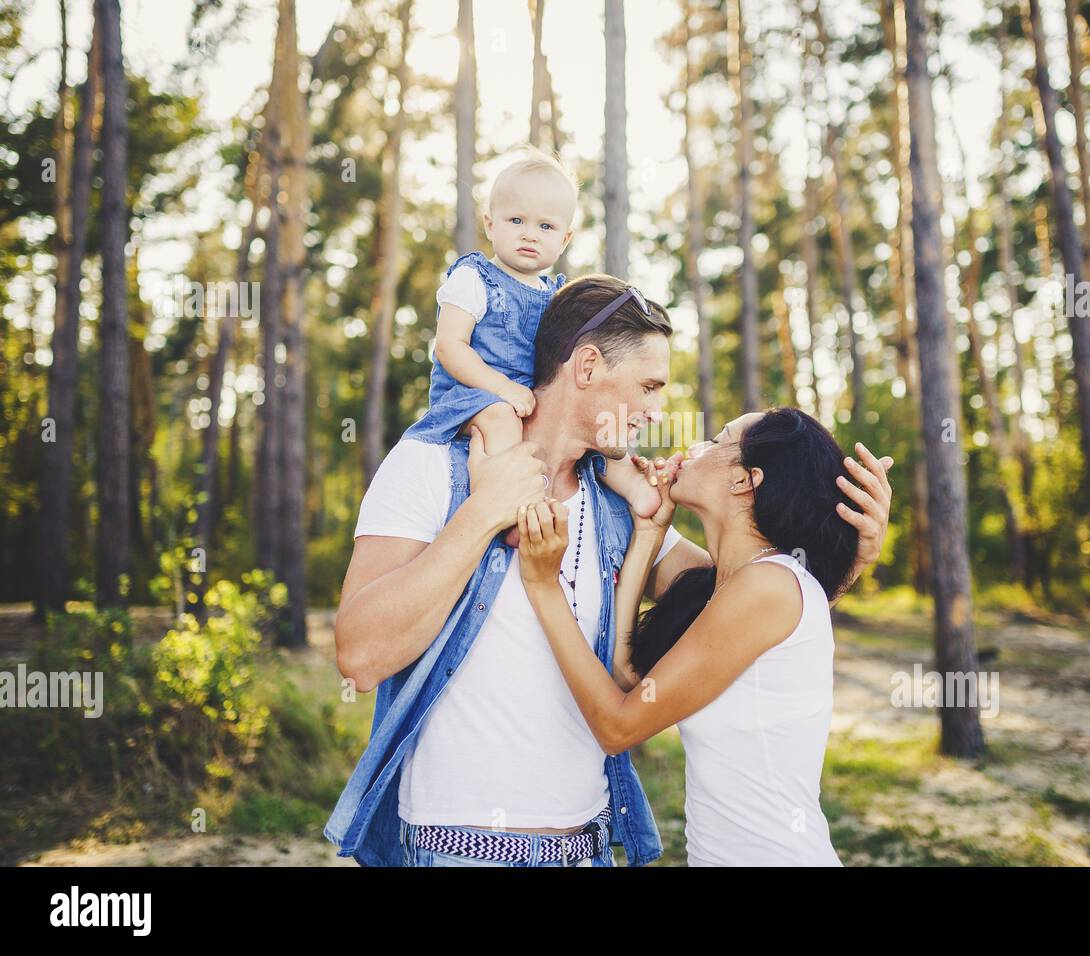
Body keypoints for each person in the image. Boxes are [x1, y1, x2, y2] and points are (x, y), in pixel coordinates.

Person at [324, 276, 893, 867]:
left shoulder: (621, 506)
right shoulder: (432, 467)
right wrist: (484, 512)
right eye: (648, 387)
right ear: (588, 366)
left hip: (590, 847)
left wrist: (850, 560)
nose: (656, 412)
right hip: (457, 849)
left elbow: (747, 612)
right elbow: (360, 657)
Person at [517, 407, 893, 865]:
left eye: (717, 440)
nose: (695, 447)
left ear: (744, 480)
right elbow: (626, 673)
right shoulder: (729, 584)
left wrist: (542, 585)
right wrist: (648, 533)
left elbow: (618, 726)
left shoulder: (766, 587)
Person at [413, 146, 658, 525]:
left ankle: (637, 490)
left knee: (587, 431)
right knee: (501, 420)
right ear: (490, 223)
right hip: (473, 396)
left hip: (530, 397)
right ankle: (511, 508)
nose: (529, 235)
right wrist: (502, 388)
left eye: (545, 227)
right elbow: (449, 347)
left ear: (564, 239)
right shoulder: (473, 279)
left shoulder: (555, 295)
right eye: (516, 220)